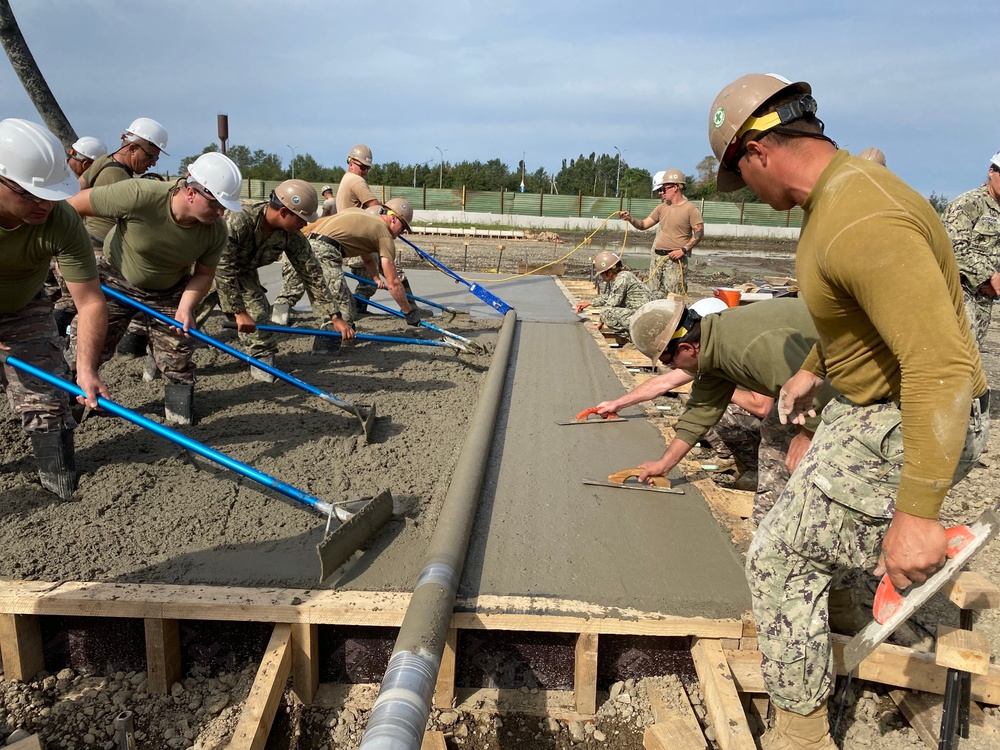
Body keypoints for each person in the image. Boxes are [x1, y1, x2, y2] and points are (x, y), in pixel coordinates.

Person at [708, 72, 989, 748]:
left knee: (776, 559)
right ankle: (827, 636)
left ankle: (800, 737)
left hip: (905, 420)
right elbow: (860, 320)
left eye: (743, 179)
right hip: (868, 409)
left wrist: (918, 514)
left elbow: (941, 366)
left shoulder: (864, 218)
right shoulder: (836, 200)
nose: (751, 194)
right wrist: (812, 371)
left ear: (757, 151)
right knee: (800, 521)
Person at [66, 152, 243, 425]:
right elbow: (72, 206)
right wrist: (71, 255)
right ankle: (67, 411)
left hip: (169, 289)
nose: (221, 212)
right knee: (86, 348)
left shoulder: (215, 230)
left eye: (224, 206)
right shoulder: (140, 195)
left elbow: (204, 275)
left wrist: (186, 306)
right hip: (116, 277)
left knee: (178, 355)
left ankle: (179, 419)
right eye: (217, 204)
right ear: (191, 191)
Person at [630, 297, 836, 526]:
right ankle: (776, 516)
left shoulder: (749, 348)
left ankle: (783, 524)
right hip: (815, 383)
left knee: (783, 438)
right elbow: (700, 412)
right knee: (777, 428)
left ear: (687, 348)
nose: (674, 369)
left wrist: (806, 436)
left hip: (849, 377)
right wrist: (664, 464)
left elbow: (823, 393)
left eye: (670, 362)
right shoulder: (713, 349)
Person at [0, 119, 109, 498]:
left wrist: (87, 369)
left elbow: (91, 301)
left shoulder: (59, 218)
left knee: (48, 395)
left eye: (50, 192)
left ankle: (58, 483)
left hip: (23, 305)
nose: (43, 204)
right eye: (30, 194)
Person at [199, 179, 353, 382]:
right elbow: (222, 267)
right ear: (284, 213)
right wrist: (238, 312)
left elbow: (311, 273)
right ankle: (161, 355)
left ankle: (261, 359)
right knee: (183, 319)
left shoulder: (291, 235)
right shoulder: (239, 220)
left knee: (259, 317)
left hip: (243, 274)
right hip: (203, 269)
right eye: (301, 218)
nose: (305, 224)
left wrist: (334, 316)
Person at [77, 118, 169, 357]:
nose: (152, 163)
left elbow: (78, 188)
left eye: (156, 159)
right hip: (100, 252)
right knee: (143, 291)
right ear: (131, 148)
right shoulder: (120, 180)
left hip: (84, 242)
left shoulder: (101, 162)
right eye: (150, 157)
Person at [274, 199, 421, 329]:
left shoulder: (360, 217)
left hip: (302, 246)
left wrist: (376, 278)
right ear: (394, 218)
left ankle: (275, 326)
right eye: (403, 228)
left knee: (289, 293)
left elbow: (368, 259)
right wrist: (408, 311)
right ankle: (327, 347)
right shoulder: (384, 234)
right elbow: (394, 283)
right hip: (323, 253)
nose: (401, 233)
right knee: (342, 310)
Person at [943, 150, 1000, 352]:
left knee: (973, 356)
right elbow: (951, 248)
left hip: (985, 298)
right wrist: (989, 274)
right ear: (991, 172)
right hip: (959, 291)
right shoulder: (968, 203)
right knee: (959, 353)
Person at [618, 169, 704, 298]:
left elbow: (699, 233)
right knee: (653, 295)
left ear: (675, 187)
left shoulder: (690, 209)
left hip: (675, 261)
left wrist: (683, 250)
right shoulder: (662, 208)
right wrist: (630, 219)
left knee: (674, 298)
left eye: (665, 188)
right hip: (658, 259)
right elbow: (643, 225)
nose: (662, 192)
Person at [574, 251, 652, 338]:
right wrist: (590, 303)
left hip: (643, 318)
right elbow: (611, 296)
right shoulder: (624, 276)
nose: (601, 277)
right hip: (645, 315)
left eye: (602, 274)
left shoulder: (622, 278)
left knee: (605, 312)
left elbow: (611, 303)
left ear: (610, 272)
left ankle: (635, 337)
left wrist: (599, 323)